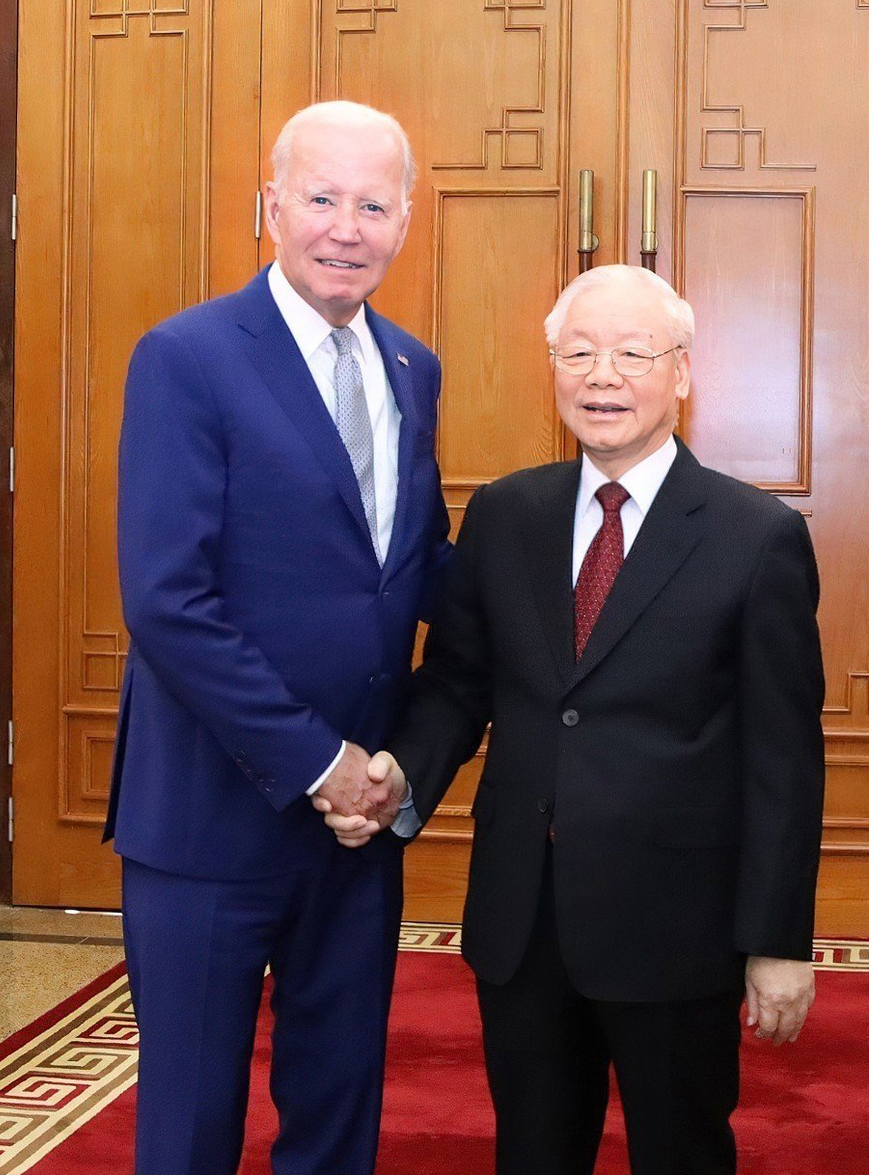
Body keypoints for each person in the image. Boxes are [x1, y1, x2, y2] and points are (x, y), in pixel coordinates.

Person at [321, 264, 826, 1175]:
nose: (602, 377)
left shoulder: (756, 539)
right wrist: (401, 771)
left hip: (679, 927)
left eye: (632, 354)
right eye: (579, 353)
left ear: (680, 374)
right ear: (552, 370)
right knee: (534, 1153)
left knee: (682, 1152)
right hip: (524, 918)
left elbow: (784, 760)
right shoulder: (508, 514)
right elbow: (459, 683)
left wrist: (779, 941)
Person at [106, 100, 441, 1175]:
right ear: (271, 205)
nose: (347, 227)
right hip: (211, 816)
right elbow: (168, 600)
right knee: (193, 1120)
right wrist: (318, 761)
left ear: (406, 219)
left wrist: (383, 773)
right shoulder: (188, 356)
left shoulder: (412, 370)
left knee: (338, 1109)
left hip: (357, 829)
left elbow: (412, 568)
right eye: (322, 197)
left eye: (374, 204)